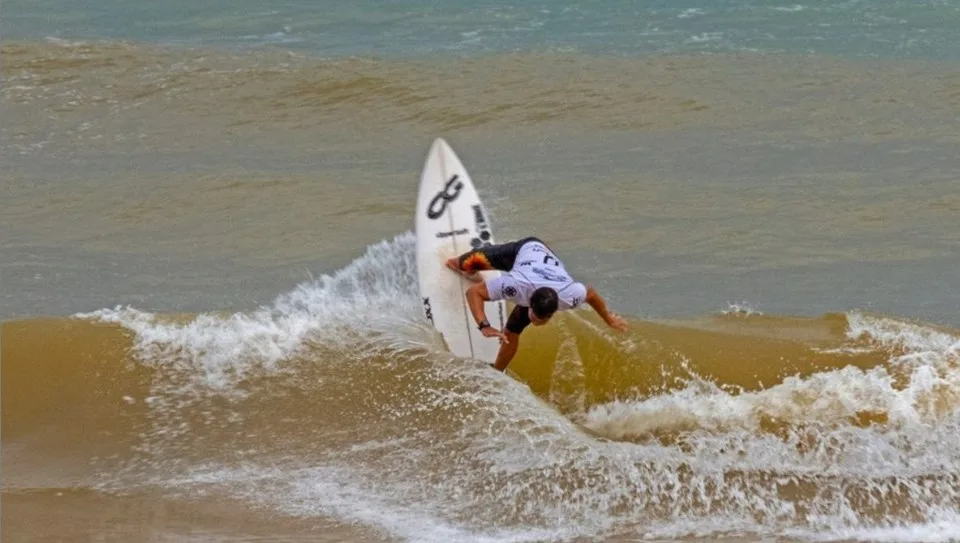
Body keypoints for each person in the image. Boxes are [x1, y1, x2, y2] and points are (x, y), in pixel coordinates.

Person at [445, 236, 628, 372]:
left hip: (547, 266)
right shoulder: (516, 286)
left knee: (511, 332)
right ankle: (473, 266)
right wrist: (484, 326)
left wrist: (608, 319)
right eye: (533, 315)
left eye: (539, 319)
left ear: (552, 312)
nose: (535, 321)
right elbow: (473, 292)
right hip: (525, 250)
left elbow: (591, 294)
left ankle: (497, 373)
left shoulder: (569, 296)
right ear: (529, 302)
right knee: (461, 263)